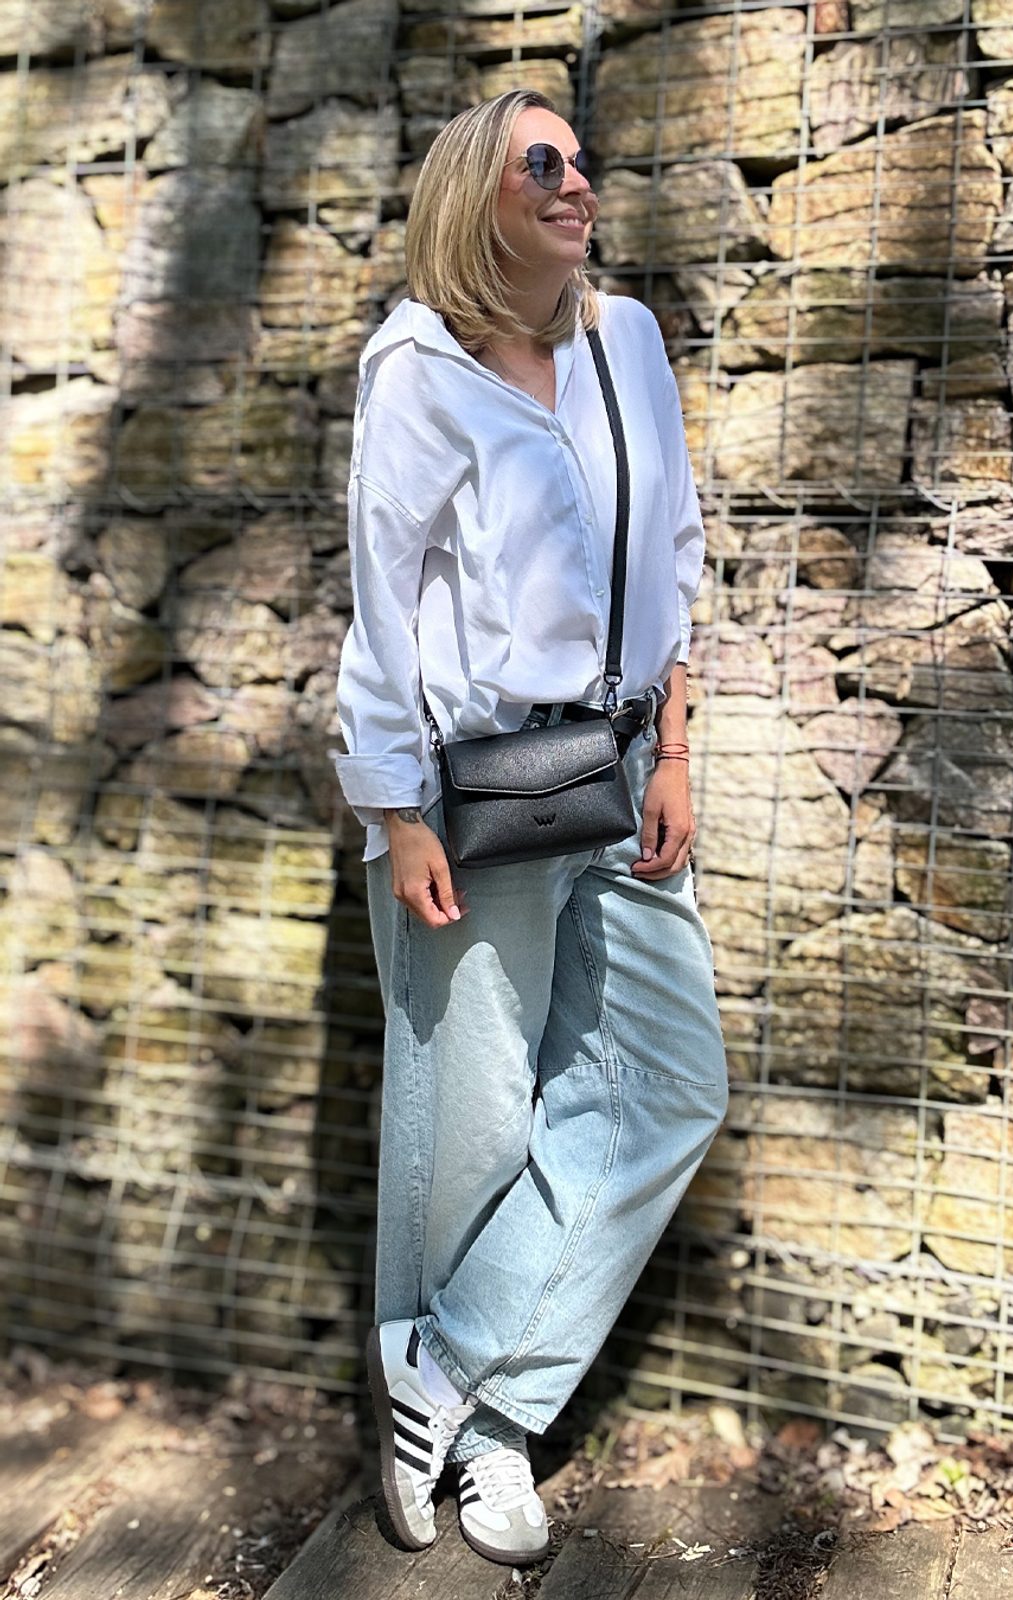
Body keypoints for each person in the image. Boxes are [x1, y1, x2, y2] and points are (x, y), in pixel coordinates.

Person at [331, 87, 729, 1567]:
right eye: (539, 162)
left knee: (667, 1083)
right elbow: (381, 607)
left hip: (616, 773)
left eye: (580, 159)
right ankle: (492, 1433)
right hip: (474, 794)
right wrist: (396, 812)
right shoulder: (419, 369)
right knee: (472, 1121)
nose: (575, 181)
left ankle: (452, 1372)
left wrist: (673, 746)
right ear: (473, 197)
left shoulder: (627, 343)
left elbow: (673, 554)